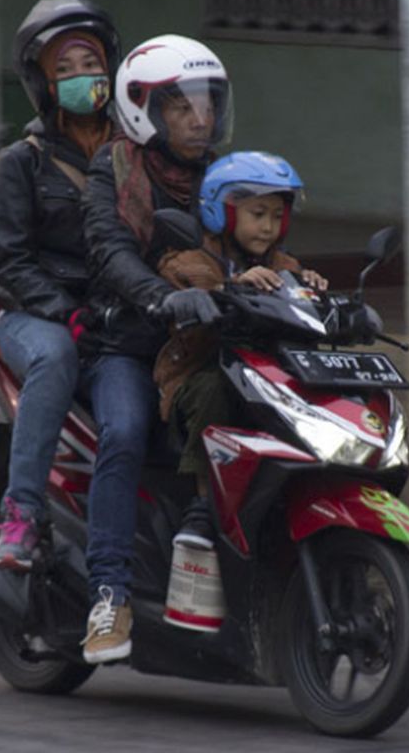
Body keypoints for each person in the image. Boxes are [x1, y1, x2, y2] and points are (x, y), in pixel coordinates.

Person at [79, 34, 232, 664]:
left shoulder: (221, 174)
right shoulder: (112, 170)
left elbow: (258, 236)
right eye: (181, 105)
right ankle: (108, 595)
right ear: (144, 108)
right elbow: (109, 252)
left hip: (202, 344)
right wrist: (162, 297)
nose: (201, 118)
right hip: (127, 342)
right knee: (124, 432)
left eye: (208, 103)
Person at [0, 0, 120, 570]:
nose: (81, 77)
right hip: (35, 314)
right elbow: (12, 263)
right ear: (43, 82)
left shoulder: (135, 152)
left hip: (115, 310)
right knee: (56, 356)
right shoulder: (23, 161)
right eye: (64, 69)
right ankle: (21, 512)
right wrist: (64, 310)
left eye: (90, 64)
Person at [153, 151, 327, 549]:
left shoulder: (283, 264)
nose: (268, 227)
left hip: (265, 378)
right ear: (222, 212)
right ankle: (202, 504)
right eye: (258, 214)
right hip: (197, 375)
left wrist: (312, 289)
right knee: (215, 389)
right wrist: (231, 288)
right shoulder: (190, 260)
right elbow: (194, 291)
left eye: (277, 216)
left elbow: (301, 304)